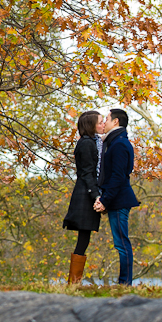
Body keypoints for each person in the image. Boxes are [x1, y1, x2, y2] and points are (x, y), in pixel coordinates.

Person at [94, 108, 140, 286]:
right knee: (120, 242)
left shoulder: (119, 144)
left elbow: (118, 176)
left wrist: (105, 200)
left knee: (122, 243)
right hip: (116, 199)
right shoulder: (114, 142)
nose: (104, 122)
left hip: (119, 200)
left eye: (106, 119)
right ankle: (124, 283)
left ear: (116, 122)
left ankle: (125, 283)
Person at [63, 111, 105, 284]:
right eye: (101, 122)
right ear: (92, 125)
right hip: (86, 193)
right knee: (84, 236)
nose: (103, 124)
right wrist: (96, 196)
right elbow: (87, 173)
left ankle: (74, 281)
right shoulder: (87, 144)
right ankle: (74, 281)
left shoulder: (92, 142)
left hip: (87, 191)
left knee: (84, 236)